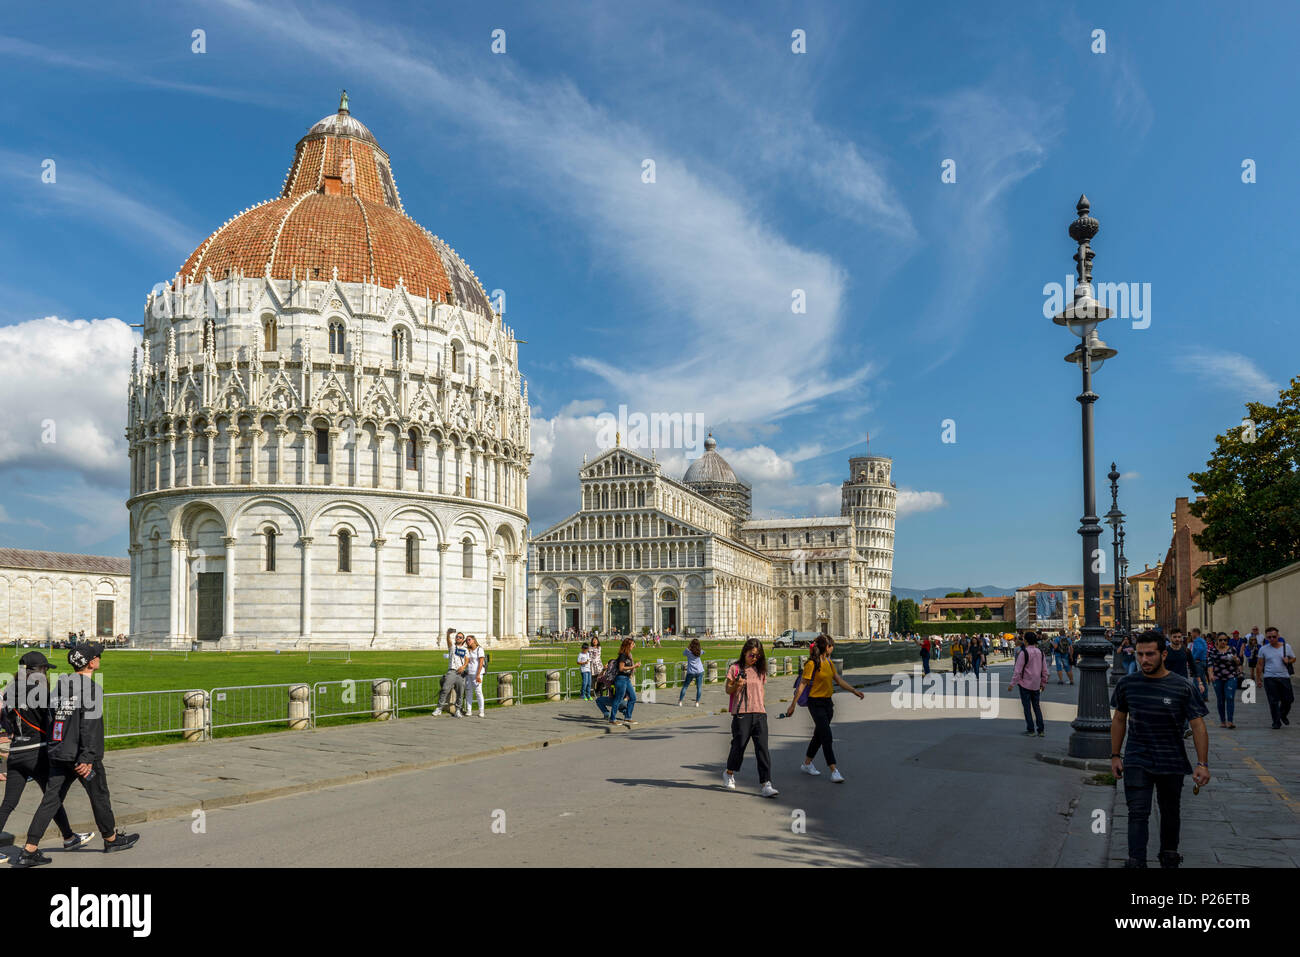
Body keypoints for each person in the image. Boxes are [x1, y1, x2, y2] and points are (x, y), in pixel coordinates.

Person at [12, 642, 139, 867]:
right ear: (91, 663)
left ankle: (29, 850)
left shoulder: (60, 686)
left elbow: (52, 720)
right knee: (99, 795)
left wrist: (55, 747)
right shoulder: (91, 689)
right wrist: (87, 757)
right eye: (97, 656)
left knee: (50, 801)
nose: (99, 658)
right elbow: (90, 726)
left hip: (60, 753)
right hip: (81, 755)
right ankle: (111, 839)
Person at [1110, 630, 1211, 868]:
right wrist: (1115, 755)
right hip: (1137, 759)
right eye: (1140, 654)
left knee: (1170, 812)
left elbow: (1198, 726)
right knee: (1137, 812)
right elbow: (1119, 719)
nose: (1144, 660)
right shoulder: (1128, 684)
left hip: (1171, 760)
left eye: (1150, 654)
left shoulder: (1182, 687)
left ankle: (1169, 856)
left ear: (1163, 654)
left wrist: (1202, 763)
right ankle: (1136, 861)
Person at [0, 652, 93, 851]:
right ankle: (62, 839)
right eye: (44, 669)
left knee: (8, 803)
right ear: (36, 670)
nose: (45, 673)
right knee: (52, 797)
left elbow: (5, 720)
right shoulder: (39, 692)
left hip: (16, 752)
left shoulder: (10, 690)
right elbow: (51, 721)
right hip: (37, 752)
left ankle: (68, 836)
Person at [785, 635, 864, 782]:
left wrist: (854, 691)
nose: (833, 648)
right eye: (831, 645)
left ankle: (807, 764)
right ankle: (834, 770)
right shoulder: (812, 664)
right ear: (826, 647)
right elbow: (802, 685)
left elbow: (838, 680)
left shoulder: (828, 662)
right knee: (826, 736)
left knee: (819, 735)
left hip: (828, 704)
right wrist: (793, 705)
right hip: (815, 703)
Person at [722, 638, 778, 797]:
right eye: (752, 655)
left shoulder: (760, 670)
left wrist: (761, 707)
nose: (754, 658)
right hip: (742, 713)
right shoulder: (735, 668)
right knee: (738, 746)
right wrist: (737, 685)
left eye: (757, 656)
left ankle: (766, 783)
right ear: (745, 652)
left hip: (759, 713)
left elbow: (761, 690)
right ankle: (729, 772)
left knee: (763, 749)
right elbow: (728, 690)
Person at [1254, 627, 1295, 730]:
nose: (1272, 639)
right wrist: (1258, 679)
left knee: (1289, 699)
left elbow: (1293, 658)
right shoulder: (1263, 649)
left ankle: (1282, 714)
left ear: (1278, 636)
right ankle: (1276, 722)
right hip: (1269, 677)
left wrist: (1288, 661)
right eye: (1269, 637)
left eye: (1274, 636)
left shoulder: (1286, 647)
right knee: (1273, 701)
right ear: (1266, 637)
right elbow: (1259, 665)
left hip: (1284, 677)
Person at [1010, 632, 1049, 736]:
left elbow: (1017, 670)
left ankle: (1031, 730)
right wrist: (1043, 683)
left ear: (1026, 640)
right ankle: (1041, 730)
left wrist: (1012, 684)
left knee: (1027, 707)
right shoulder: (1040, 652)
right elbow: (1045, 671)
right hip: (1036, 684)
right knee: (1036, 706)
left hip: (1024, 684)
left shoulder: (1024, 653)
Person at [1207, 634, 1243, 729]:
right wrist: (1210, 674)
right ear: (1217, 641)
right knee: (1220, 699)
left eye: (1225, 640)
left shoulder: (1232, 649)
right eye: (1221, 640)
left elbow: (1238, 663)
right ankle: (1223, 721)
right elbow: (1210, 663)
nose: (1223, 642)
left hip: (1231, 676)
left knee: (1229, 697)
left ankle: (1230, 721)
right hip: (1217, 677)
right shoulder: (1213, 650)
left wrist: (1236, 660)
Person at [433, 632, 469, 716]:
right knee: (445, 689)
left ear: (462, 639)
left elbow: (467, 660)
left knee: (460, 692)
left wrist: (463, 667)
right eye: (457, 637)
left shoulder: (465, 649)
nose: (458, 638)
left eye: (460, 637)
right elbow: (448, 641)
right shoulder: (452, 647)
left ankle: (458, 710)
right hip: (452, 671)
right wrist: (448, 634)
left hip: (461, 673)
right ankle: (439, 708)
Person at [606, 638, 638, 727]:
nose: (633, 646)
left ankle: (628, 717)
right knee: (618, 699)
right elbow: (621, 668)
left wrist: (633, 667)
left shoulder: (628, 655)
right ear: (627, 645)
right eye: (632, 644)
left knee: (633, 697)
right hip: (620, 679)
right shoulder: (622, 655)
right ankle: (612, 719)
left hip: (626, 679)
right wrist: (633, 666)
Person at [462, 636, 486, 717]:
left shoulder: (479, 649)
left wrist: (478, 675)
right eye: (466, 640)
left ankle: (481, 711)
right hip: (469, 673)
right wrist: (463, 642)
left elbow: (481, 662)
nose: (467, 641)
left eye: (469, 640)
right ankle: (469, 710)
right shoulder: (467, 650)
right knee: (468, 691)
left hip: (477, 673)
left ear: (474, 640)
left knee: (478, 692)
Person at [678, 638, 704, 707]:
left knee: (685, 687)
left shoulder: (688, 651)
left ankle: (680, 701)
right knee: (699, 687)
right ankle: (697, 702)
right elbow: (704, 652)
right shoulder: (699, 651)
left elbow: (683, 653)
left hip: (691, 671)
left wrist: (688, 647)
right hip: (699, 670)